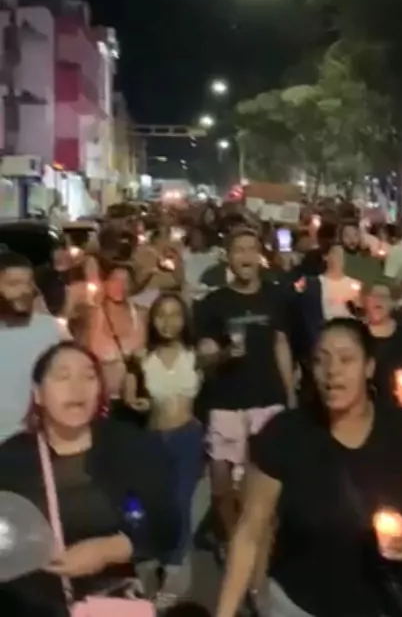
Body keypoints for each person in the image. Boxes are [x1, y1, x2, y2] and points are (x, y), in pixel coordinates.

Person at [216, 317, 402, 617]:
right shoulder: (284, 434)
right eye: (321, 360)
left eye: (346, 359)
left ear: (369, 367)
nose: (332, 371)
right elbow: (250, 531)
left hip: (386, 606)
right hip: (300, 605)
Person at [0, 341, 179, 616]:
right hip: (28, 606)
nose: (77, 388)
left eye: (89, 376)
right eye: (63, 377)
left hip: (111, 604)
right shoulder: (10, 459)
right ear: (38, 394)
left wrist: (110, 549)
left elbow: (167, 524)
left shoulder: (131, 445)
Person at [196, 228, 295, 548]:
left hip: (267, 399)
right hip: (226, 401)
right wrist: (225, 354)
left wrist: (290, 394)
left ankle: (262, 545)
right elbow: (204, 358)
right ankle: (231, 539)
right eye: (238, 250)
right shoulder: (213, 303)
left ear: (259, 256)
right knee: (222, 486)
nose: (245, 256)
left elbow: (281, 344)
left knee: (266, 480)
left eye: (251, 249)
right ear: (228, 257)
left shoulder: (275, 296)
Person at [126, 292, 204, 601]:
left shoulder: (196, 354)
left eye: (174, 314)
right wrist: (136, 402)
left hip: (187, 436)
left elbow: (224, 361)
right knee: (148, 502)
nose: (167, 321)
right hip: (152, 438)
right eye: (161, 315)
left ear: (184, 320)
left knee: (180, 502)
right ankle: (148, 559)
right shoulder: (141, 357)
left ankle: (174, 567)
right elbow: (130, 395)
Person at [0, 252, 66, 444]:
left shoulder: (50, 328)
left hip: (39, 442)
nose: (25, 291)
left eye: (28, 283)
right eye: (14, 284)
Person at [85, 262, 147, 418]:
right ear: (105, 283)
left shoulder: (142, 315)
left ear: (133, 287)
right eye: (115, 280)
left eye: (126, 281)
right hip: (100, 405)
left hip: (134, 403)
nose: (120, 286)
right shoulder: (91, 316)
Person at [363, 281, 402, 400]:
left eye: (383, 297)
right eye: (374, 296)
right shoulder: (357, 333)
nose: (378, 300)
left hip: (399, 402)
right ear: (366, 302)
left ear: (392, 304)